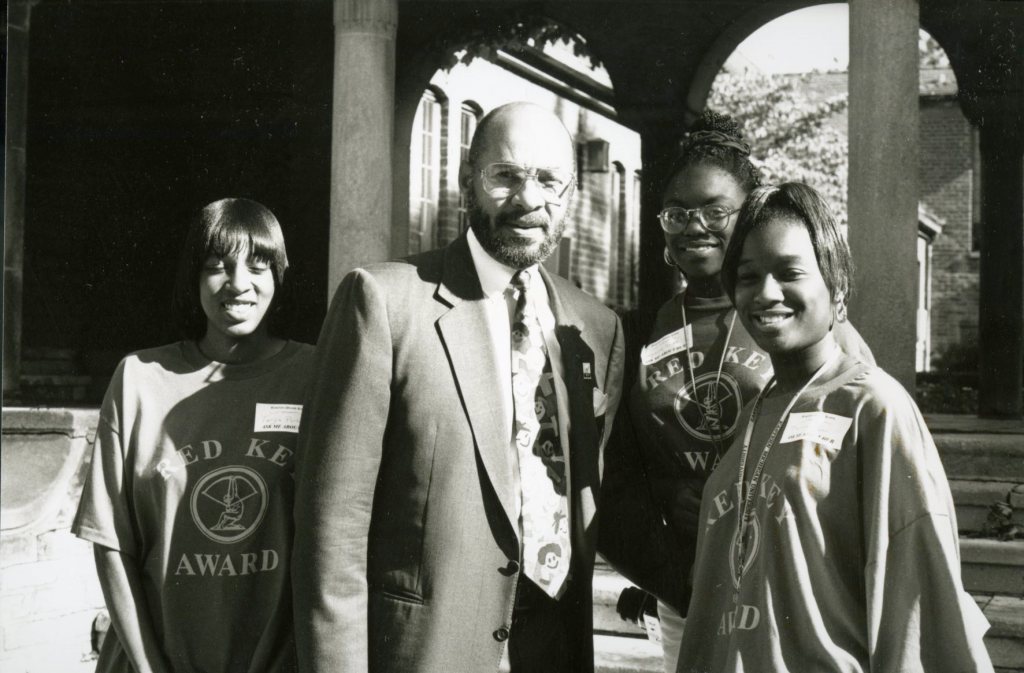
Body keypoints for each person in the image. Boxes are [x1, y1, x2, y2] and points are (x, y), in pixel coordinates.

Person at [292, 102, 624, 673]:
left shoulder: (595, 326)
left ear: (570, 194)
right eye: (506, 176)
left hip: (554, 652)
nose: (529, 199)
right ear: (467, 180)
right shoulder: (383, 303)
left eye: (549, 180)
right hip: (426, 652)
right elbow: (332, 529)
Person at [676, 182, 993, 672]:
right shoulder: (758, 413)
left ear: (837, 287)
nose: (765, 293)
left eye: (789, 273)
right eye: (747, 276)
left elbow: (916, 598)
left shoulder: (872, 407)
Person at [598, 111, 874, 673]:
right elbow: (622, 477)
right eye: (677, 213)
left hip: (794, 576)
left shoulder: (795, 314)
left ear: (748, 214)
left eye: (716, 211)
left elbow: (856, 440)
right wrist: (675, 576)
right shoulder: (636, 329)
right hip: (688, 582)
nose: (694, 225)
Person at [72, 198, 314, 673]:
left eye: (259, 267)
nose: (238, 283)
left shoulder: (317, 373)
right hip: (154, 660)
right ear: (194, 278)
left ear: (280, 277)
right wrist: (148, 667)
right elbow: (110, 541)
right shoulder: (140, 378)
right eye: (216, 267)